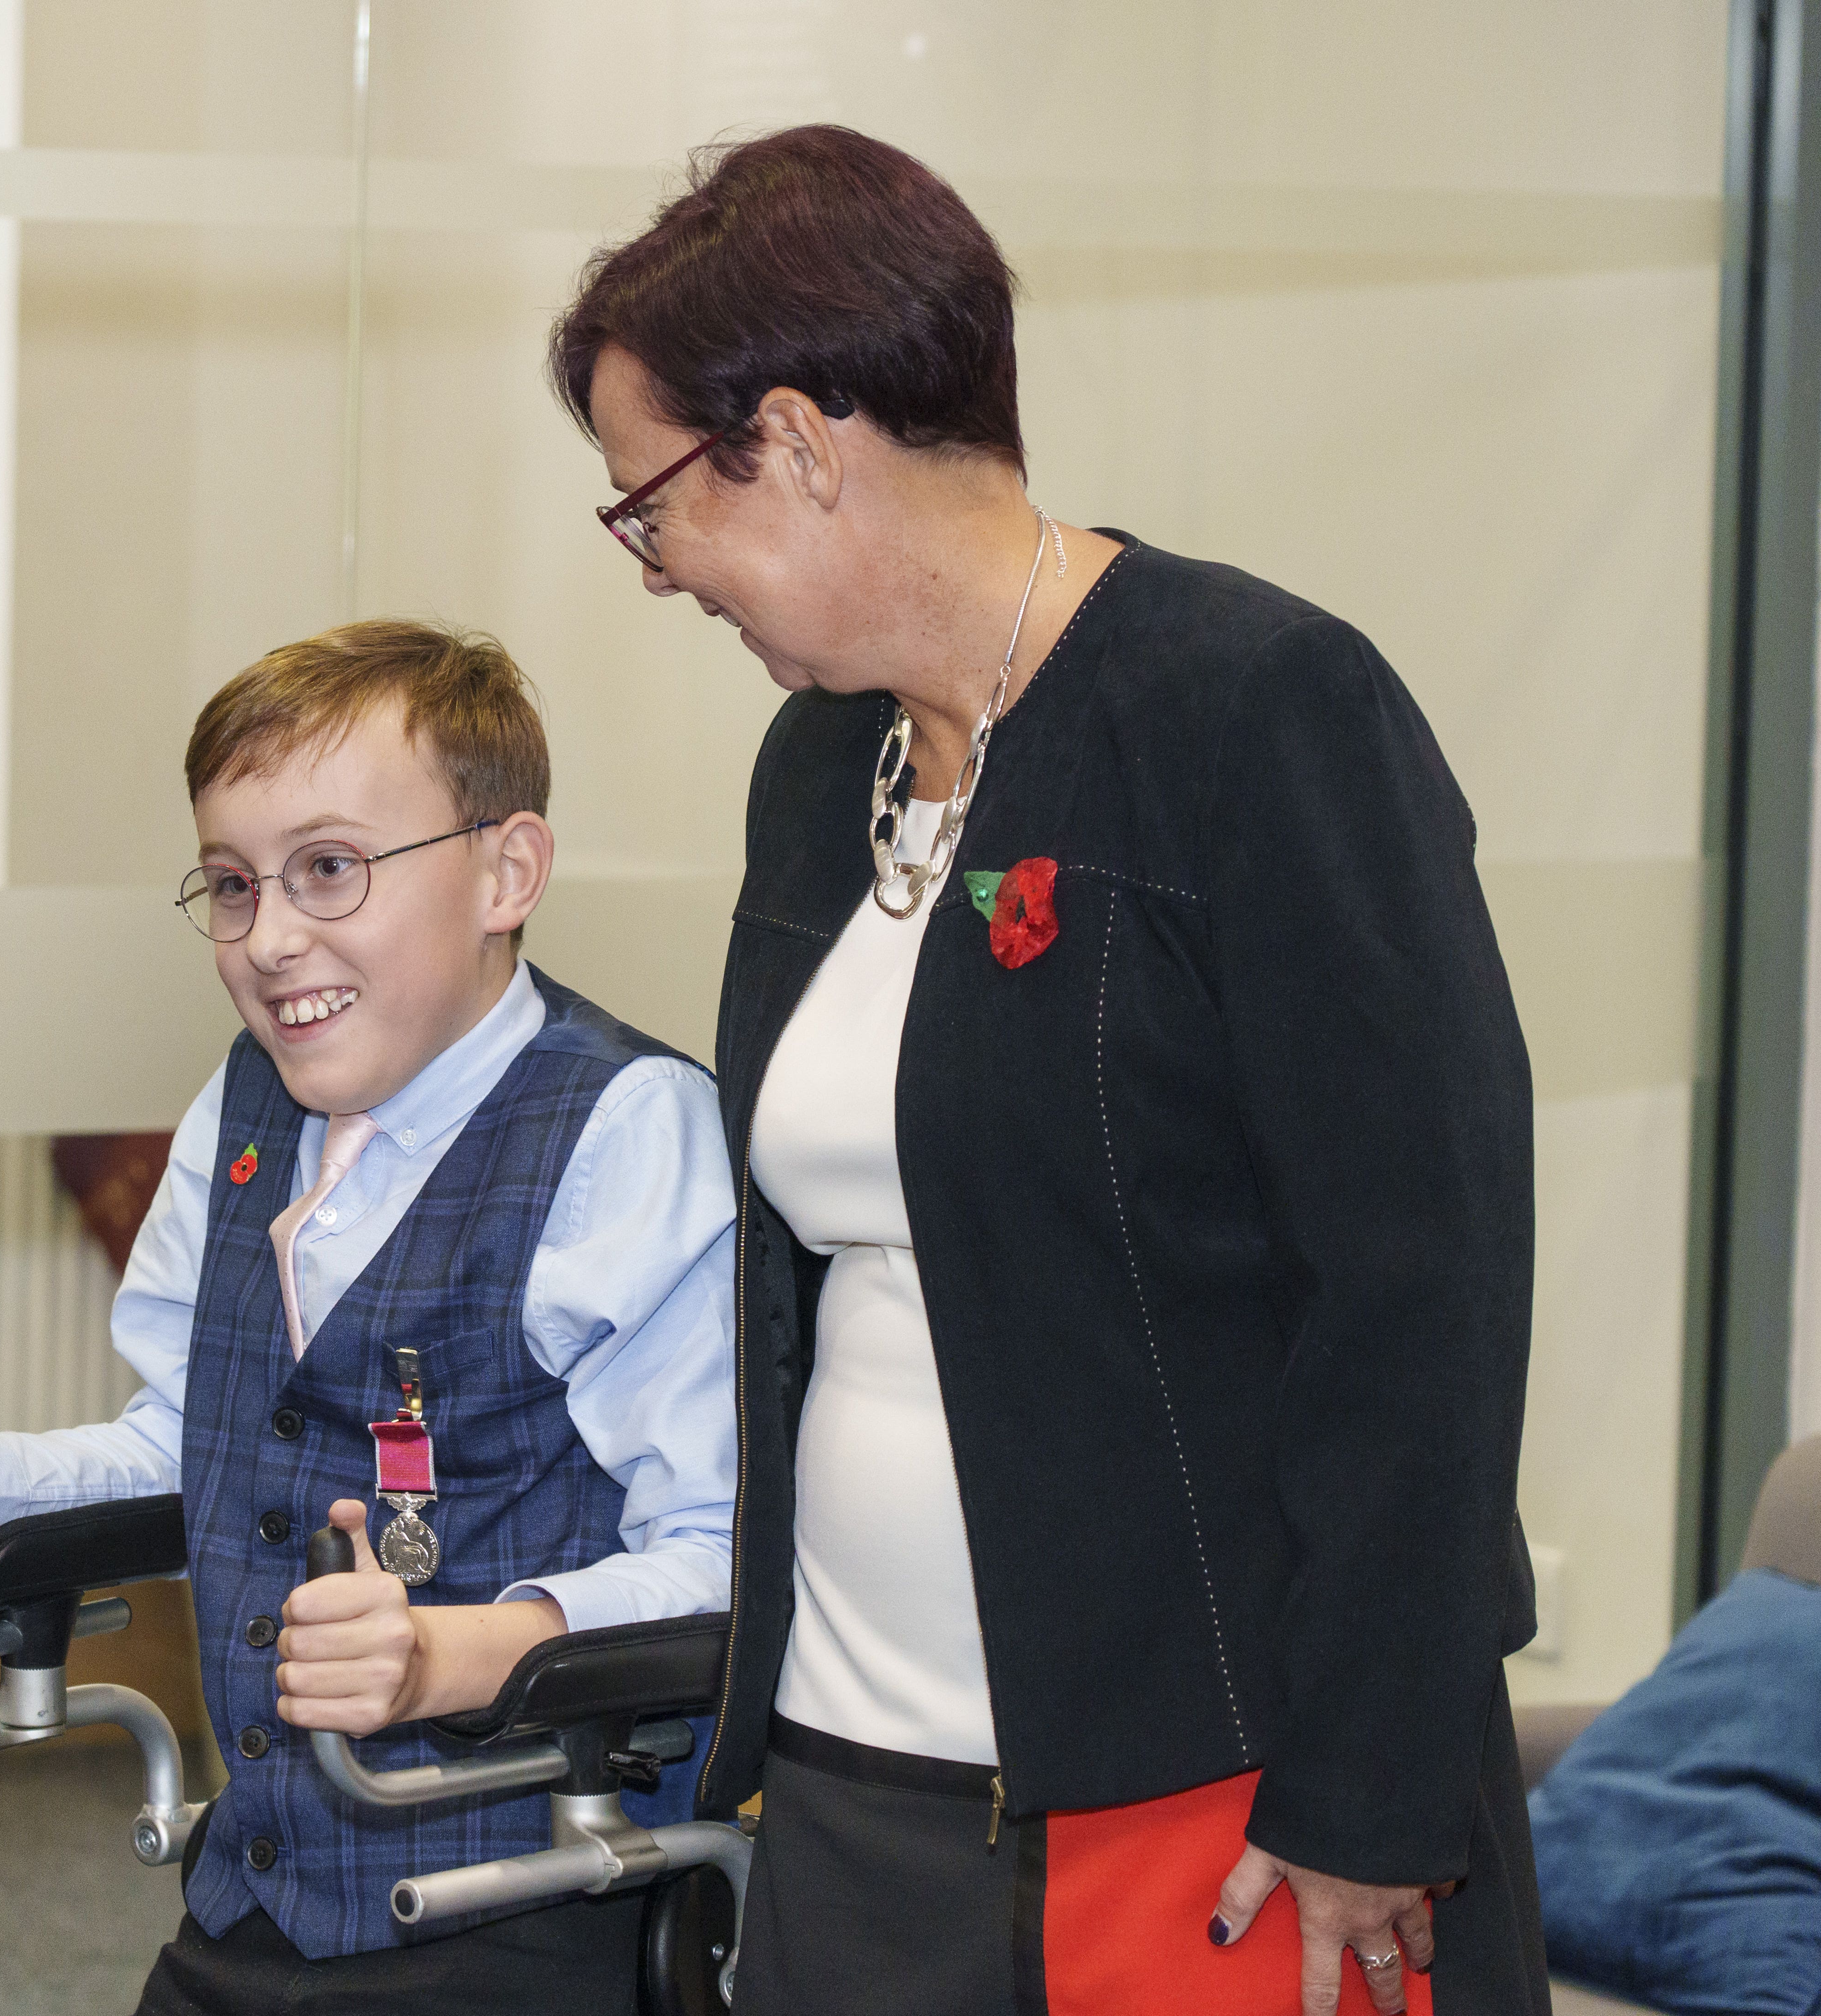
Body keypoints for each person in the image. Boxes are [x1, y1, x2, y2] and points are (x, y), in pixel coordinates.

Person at [548, 126, 1547, 2015]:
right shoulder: (814, 773)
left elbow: (1424, 1289)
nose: (657, 567)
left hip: (1219, 1789)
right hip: (856, 1770)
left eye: (652, 501)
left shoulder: (1256, 713)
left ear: (800, 439)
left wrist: (1373, 1781)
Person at [0, 620, 739, 2014]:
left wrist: (459, 1652)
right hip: (265, 1893)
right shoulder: (249, 1110)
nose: (271, 941)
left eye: (330, 870)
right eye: (229, 884)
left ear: (507, 872)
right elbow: (189, 1449)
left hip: (529, 1899)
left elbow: (722, 1558)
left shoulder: (624, 1131)